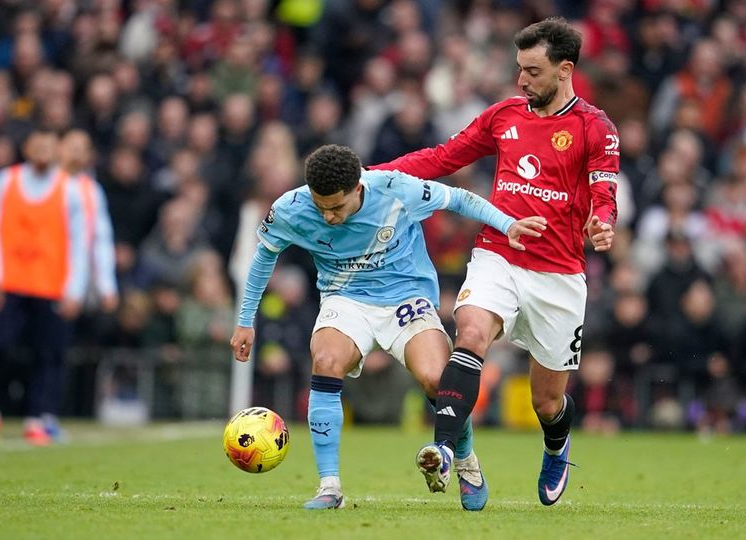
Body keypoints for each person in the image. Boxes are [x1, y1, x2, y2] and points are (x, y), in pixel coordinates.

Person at [370, 17, 619, 506]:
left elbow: (603, 191)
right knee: (471, 333)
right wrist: (371, 174)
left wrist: (602, 221)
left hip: (558, 274)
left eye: (532, 71)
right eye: (518, 69)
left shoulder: (594, 127)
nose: (521, 80)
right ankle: (443, 450)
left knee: (546, 401)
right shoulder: (504, 115)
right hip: (498, 253)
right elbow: (444, 158)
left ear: (565, 70)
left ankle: (556, 444)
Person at [230, 144, 546, 510]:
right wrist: (245, 321)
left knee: (435, 377)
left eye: (337, 206)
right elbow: (264, 257)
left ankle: (465, 463)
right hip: (346, 299)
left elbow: (459, 198)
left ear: (358, 188)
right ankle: (329, 486)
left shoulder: (395, 188)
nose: (329, 216)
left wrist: (507, 224)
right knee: (326, 359)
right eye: (322, 206)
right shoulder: (291, 208)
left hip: (406, 298)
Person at [0, 129, 90, 445]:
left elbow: (79, 243)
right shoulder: (5, 181)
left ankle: (38, 417)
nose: (43, 151)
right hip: (9, 283)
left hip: (51, 285)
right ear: (26, 146)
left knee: (48, 354)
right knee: (0, 346)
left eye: (49, 146)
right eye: (37, 144)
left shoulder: (69, 190)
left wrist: (74, 290)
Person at [59, 129, 119, 314]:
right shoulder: (45, 184)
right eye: (72, 147)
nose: (75, 153)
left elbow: (100, 239)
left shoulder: (91, 191)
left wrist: (107, 286)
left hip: (76, 278)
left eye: (82, 149)